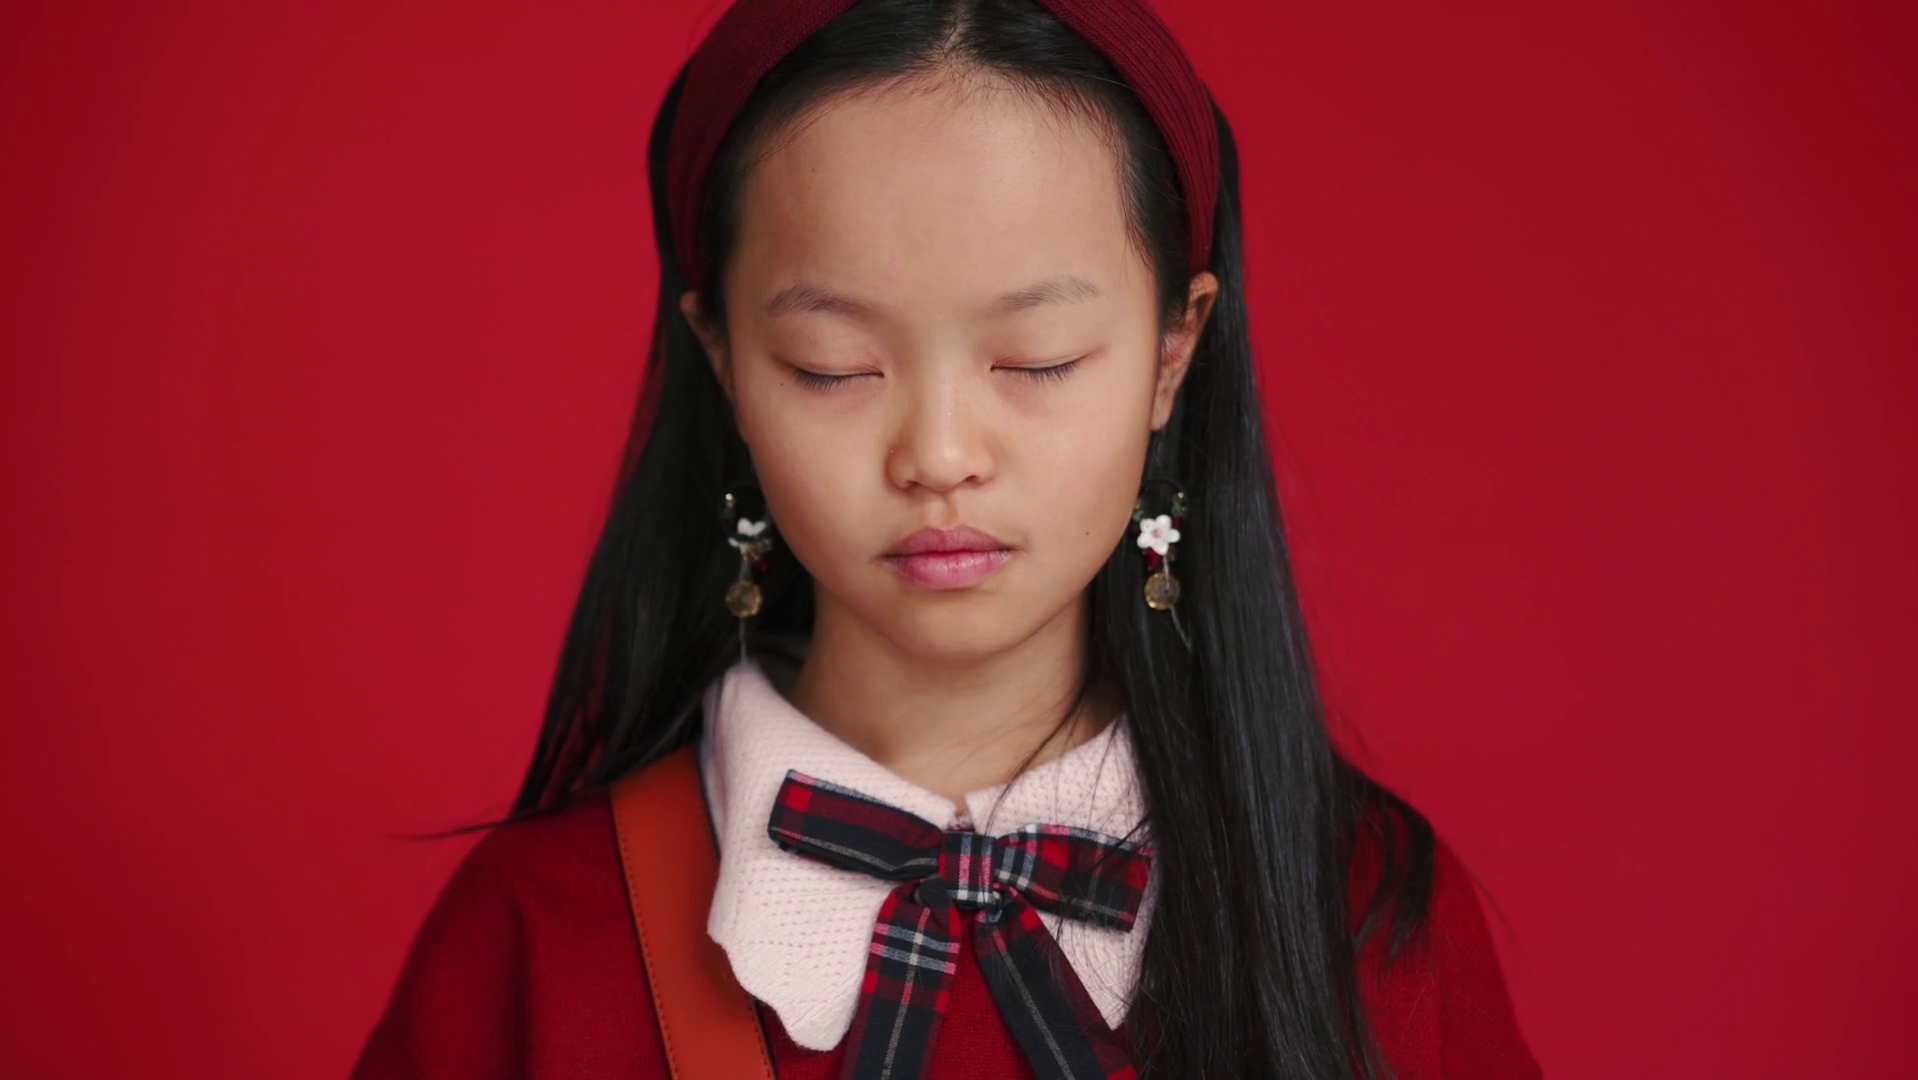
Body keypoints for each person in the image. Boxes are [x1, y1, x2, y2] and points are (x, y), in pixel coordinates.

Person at [350, 1, 1543, 1077]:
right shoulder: (541, 934)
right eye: (833, 368)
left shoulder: (1364, 911)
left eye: (1038, 361)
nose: (939, 452)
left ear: (1173, 354)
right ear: (724, 363)